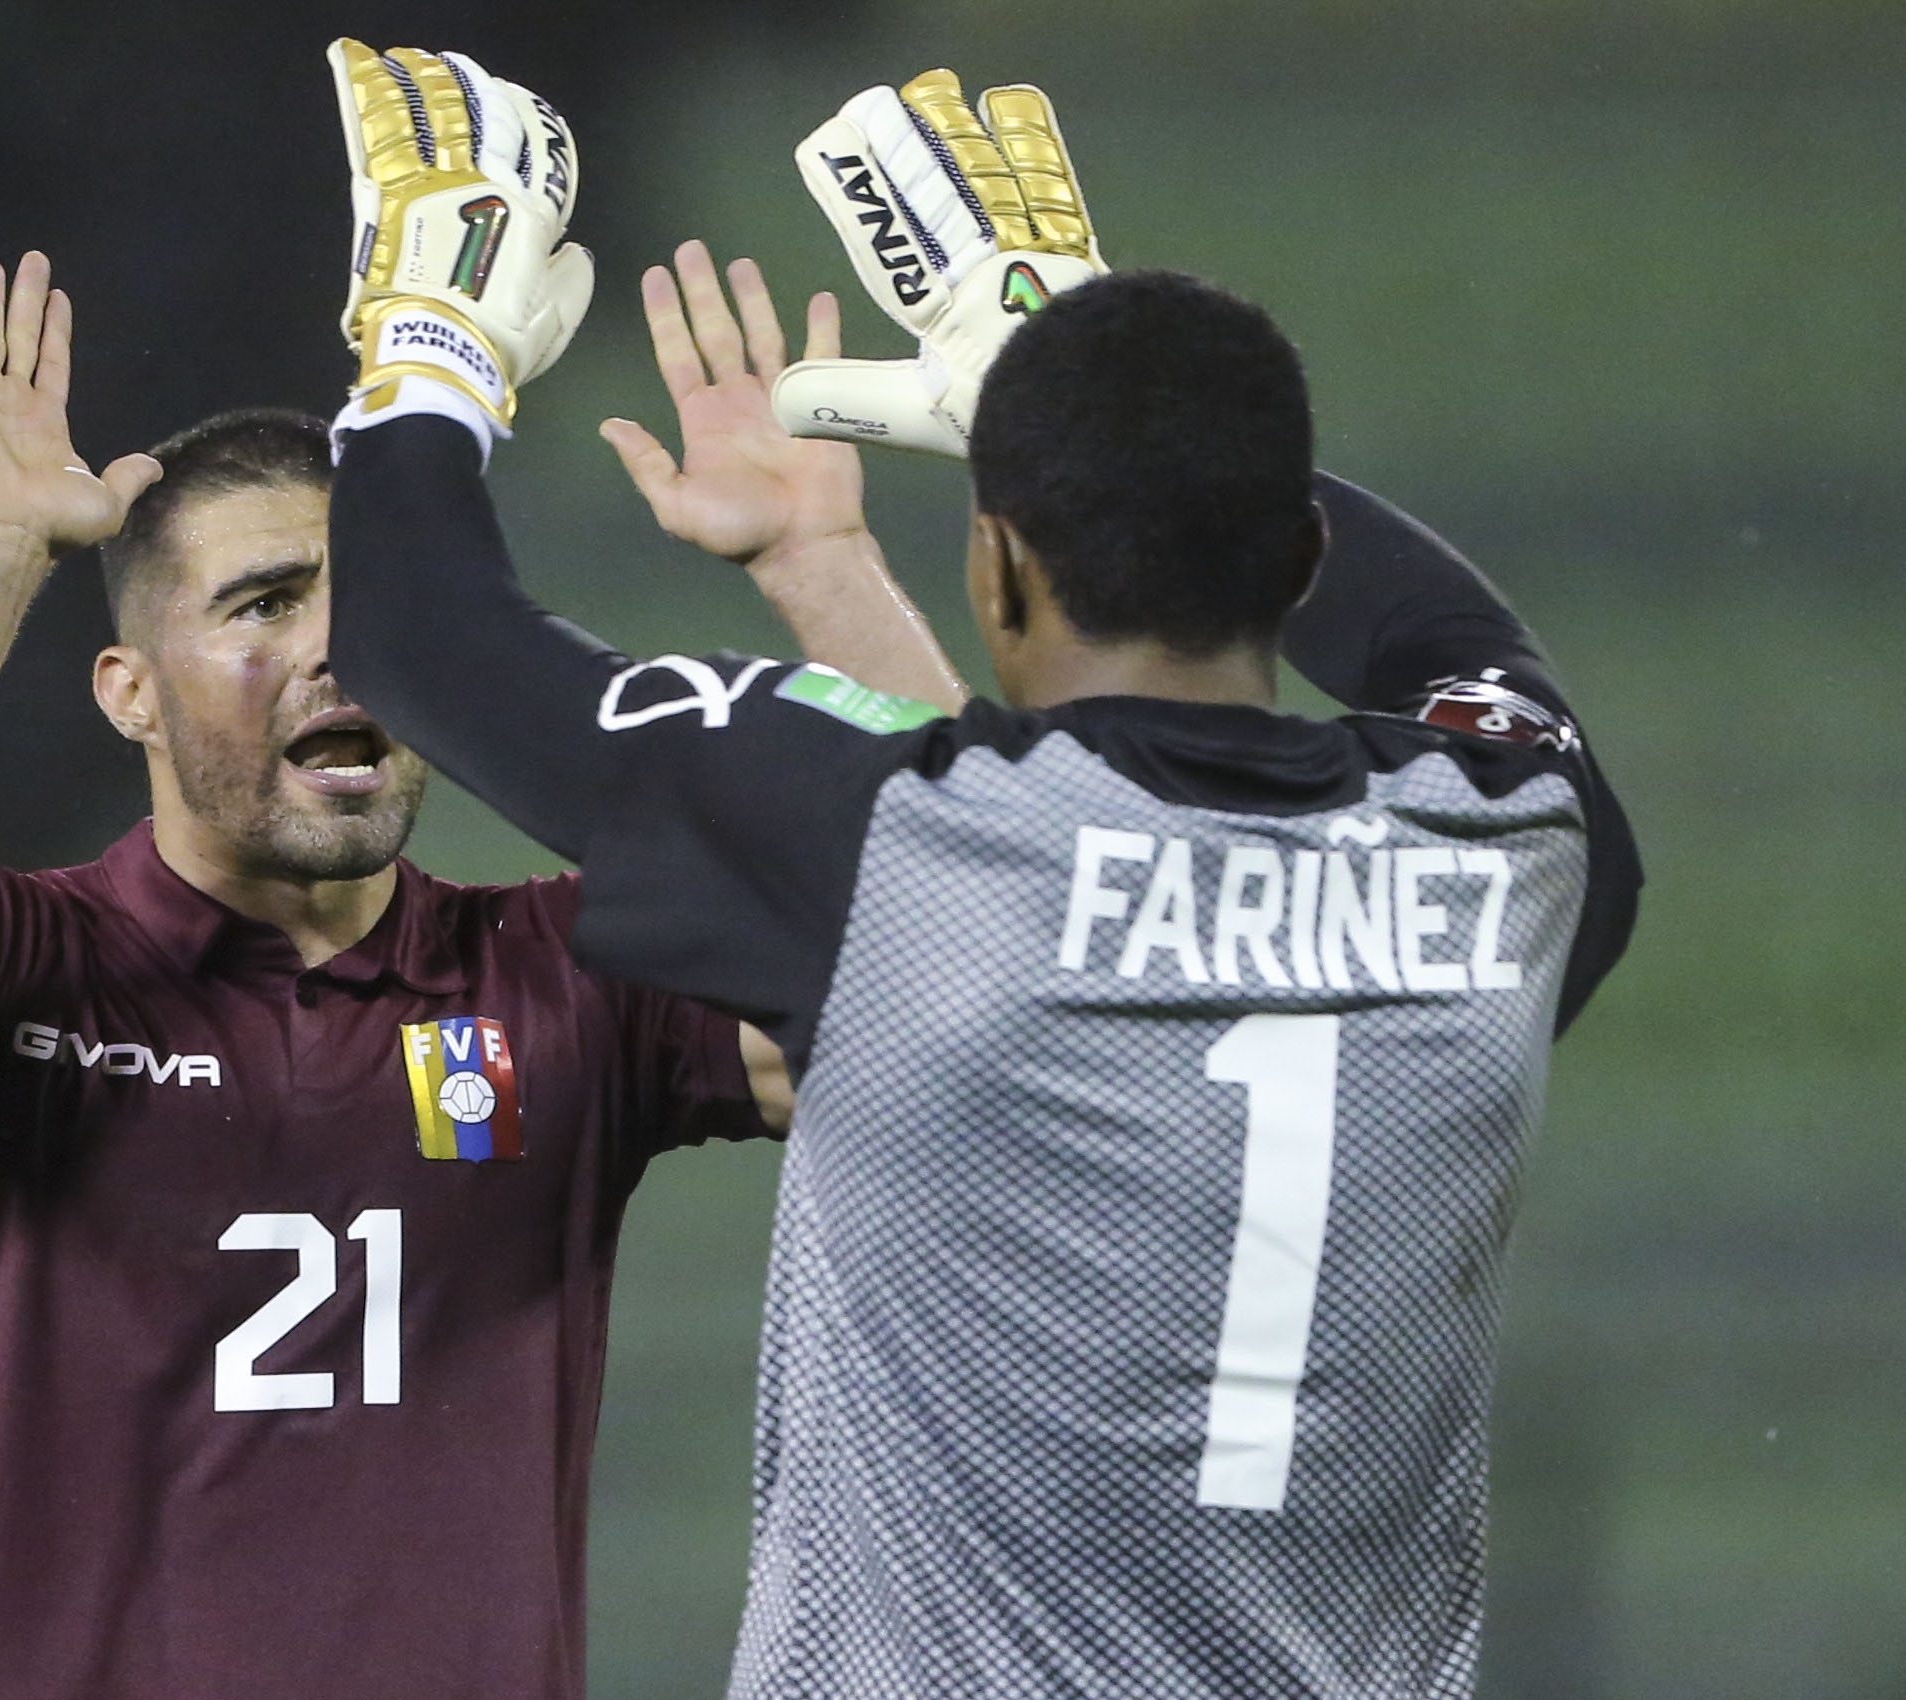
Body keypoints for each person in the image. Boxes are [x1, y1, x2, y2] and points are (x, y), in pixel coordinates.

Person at [322, 57, 1641, 1700]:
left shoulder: (890, 844)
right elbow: (1453, 648)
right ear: (1296, 559)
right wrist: (1058, 374)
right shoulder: (1506, 850)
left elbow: (415, 636)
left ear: (995, 562)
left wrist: (431, 348)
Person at [0, 240, 955, 1700]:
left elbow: (972, 994)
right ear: (131, 693)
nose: (335, 651)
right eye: (262, 605)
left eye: (368, 606)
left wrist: (822, 568)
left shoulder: (568, 978)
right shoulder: (21, 969)